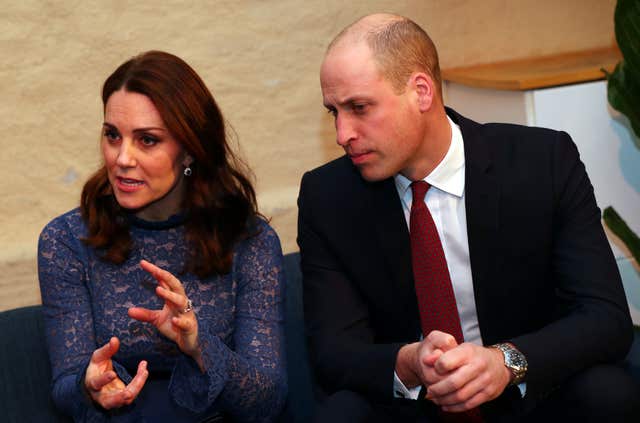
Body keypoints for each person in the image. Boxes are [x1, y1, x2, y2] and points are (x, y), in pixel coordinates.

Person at [297, 13, 639, 422]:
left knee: (608, 392)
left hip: (526, 393)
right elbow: (332, 352)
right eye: (333, 112)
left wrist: (505, 362)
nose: (342, 133)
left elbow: (606, 318)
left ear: (421, 92)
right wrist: (408, 361)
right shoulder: (328, 195)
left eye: (358, 107)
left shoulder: (541, 162)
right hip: (415, 406)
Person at [38, 51, 287, 422]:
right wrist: (88, 385)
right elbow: (65, 390)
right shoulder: (67, 241)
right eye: (112, 135)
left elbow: (268, 401)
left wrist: (198, 346)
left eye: (147, 140)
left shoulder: (249, 241)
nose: (122, 158)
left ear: (188, 150)